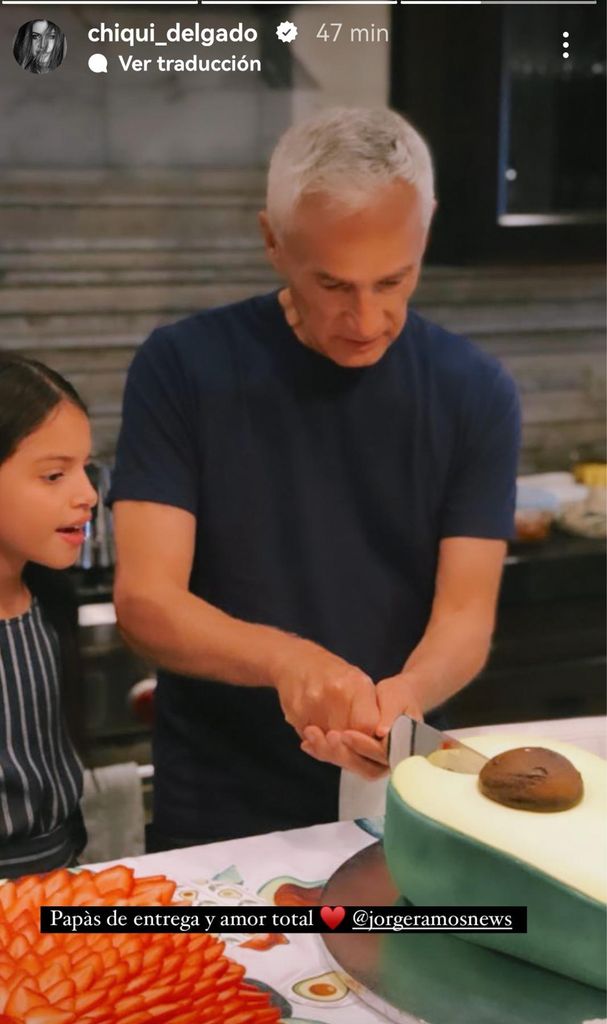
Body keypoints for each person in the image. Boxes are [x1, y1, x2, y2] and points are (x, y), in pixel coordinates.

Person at [110, 107, 521, 850]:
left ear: (423, 231)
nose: (365, 319)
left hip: (403, 795)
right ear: (272, 239)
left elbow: (465, 615)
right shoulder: (181, 368)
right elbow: (146, 601)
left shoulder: (475, 391)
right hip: (220, 805)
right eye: (332, 285)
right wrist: (288, 663)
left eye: (392, 280)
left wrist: (405, 699)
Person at [0, 354, 97, 877]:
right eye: (55, 475)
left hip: (61, 889)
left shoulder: (49, 607)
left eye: (85, 469)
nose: (88, 495)